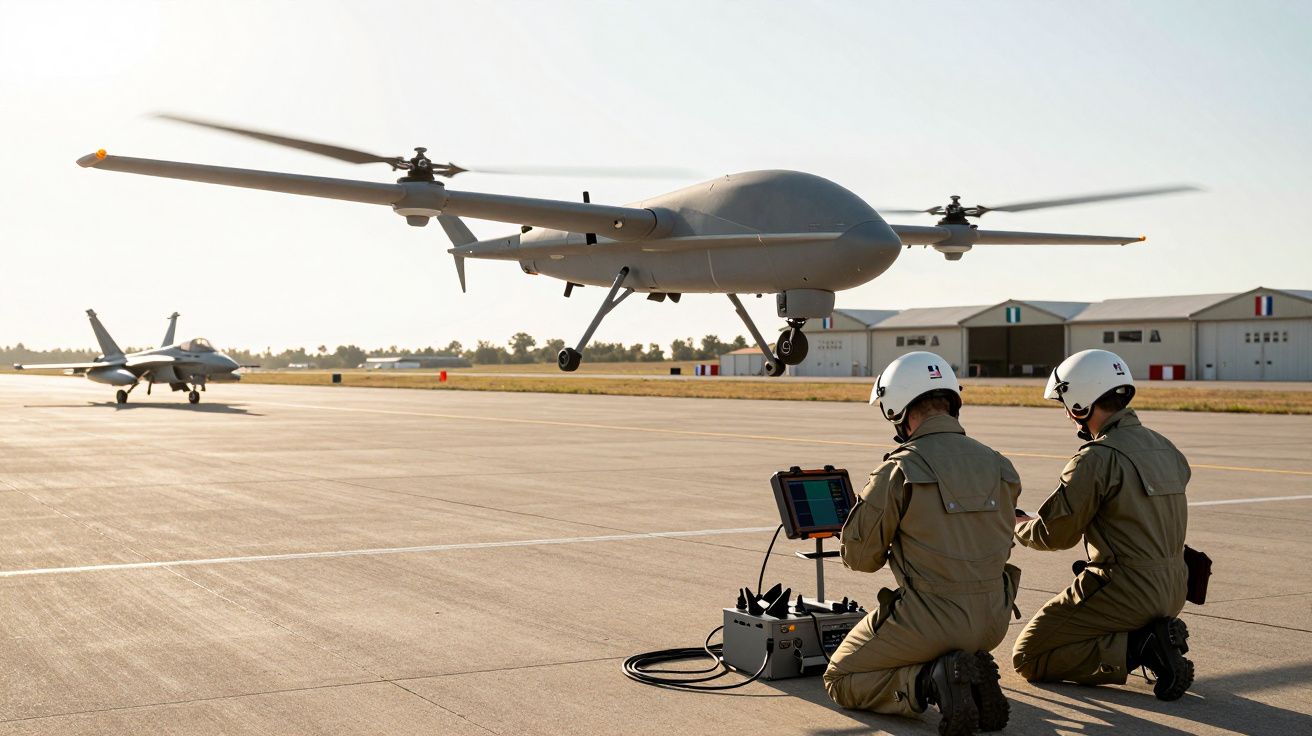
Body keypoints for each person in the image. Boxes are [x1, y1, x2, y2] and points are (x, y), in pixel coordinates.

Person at [824, 351, 1022, 735]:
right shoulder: (1000, 464)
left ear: (897, 406)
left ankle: (930, 681)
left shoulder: (899, 468)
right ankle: (964, 673)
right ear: (950, 401)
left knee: (840, 678)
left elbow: (861, 559)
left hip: (930, 620)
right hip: (993, 621)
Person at [1012, 349, 1194, 700]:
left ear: (1081, 404)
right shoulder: (1166, 447)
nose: (1067, 414)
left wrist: (1015, 523)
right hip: (1174, 587)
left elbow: (1053, 535)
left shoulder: (1097, 458)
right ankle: (1151, 638)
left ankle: (1140, 647)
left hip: (1126, 591)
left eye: (1066, 404)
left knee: (1028, 656)